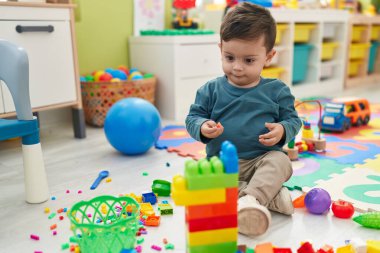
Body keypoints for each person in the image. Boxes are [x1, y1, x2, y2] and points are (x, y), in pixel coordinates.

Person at [185, 2, 302, 237]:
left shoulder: (277, 91)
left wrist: (282, 130)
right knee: (197, 181)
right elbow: (193, 117)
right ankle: (267, 197)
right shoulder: (210, 90)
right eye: (229, 57)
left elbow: (293, 120)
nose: (237, 67)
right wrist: (201, 126)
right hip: (221, 164)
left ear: (268, 56)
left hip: (261, 160)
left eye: (249, 60)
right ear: (220, 49)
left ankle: (250, 199)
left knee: (282, 161)